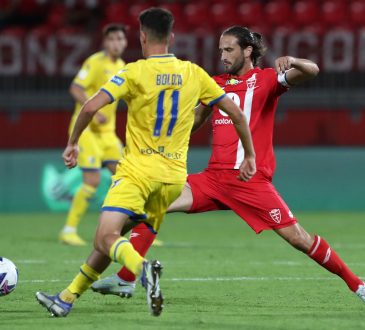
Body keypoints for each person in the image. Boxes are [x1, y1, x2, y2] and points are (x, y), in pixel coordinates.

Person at [92, 25, 365, 304]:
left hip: (251, 182)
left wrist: (293, 61)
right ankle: (126, 278)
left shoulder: (268, 80)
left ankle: (358, 285)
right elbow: (196, 121)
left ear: (247, 51)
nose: (222, 55)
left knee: (299, 239)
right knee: (152, 206)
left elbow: (313, 70)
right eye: (220, 49)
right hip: (213, 180)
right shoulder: (216, 83)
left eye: (229, 49)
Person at [35, 9, 256, 317]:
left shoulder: (133, 72)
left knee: (103, 237)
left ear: (141, 37)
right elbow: (235, 112)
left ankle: (142, 269)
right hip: (172, 180)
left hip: (138, 173)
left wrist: (72, 143)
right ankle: (66, 297)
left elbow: (89, 107)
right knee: (111, 239)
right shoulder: (193, 73)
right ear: (172, 38)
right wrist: (250, 155)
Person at [59, 23, 127, 246]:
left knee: (126, 177)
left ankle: (134, 229)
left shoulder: (123, 66)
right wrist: (93, 111)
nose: (117, 43)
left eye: (120, 39)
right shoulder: (95, 62)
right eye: (113, 39)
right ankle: (68, 230)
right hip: (87, 130)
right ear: (105, 42)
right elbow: (76, 88)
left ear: (125, 42)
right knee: (92, 180)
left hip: (108, 133)